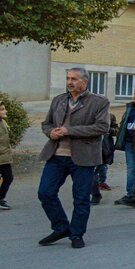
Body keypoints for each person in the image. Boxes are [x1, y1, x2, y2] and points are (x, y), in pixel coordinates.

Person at [37, 67, 110, 248]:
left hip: (83, 157)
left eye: (74, 79)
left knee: (81, 198)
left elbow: (102, 127)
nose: (70, 82)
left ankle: (76, 234)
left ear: (84, 82)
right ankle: (61, 227)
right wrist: (50, 132)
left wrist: (69, 131)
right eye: (68, 78)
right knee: (45, 192)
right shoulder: (59, 100)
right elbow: (46, 123)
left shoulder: (99, 102)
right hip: (56, 154)